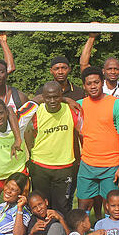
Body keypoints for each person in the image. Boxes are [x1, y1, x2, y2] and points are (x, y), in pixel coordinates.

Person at [76, 67, 119, 220]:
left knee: (112, 207)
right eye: (89, 83)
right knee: (83, 206)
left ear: (103, 83)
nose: (93, 86)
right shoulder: (79, 106)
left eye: (96, 82)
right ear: (84, 86)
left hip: (112, 165)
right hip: (87, 164)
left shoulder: (117, 105)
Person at [25, 81, 80, 215]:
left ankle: (62, 233)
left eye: (56, 97)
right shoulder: (36, 113)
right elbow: (28, 135)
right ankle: (43, 234)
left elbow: (81, 133)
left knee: (62, 207)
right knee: (41, 206)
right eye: (48, 97)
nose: (52, 100)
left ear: (62, 95)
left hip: (65, 167)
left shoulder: (71, 111)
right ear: (43, 97)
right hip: (40, 167)